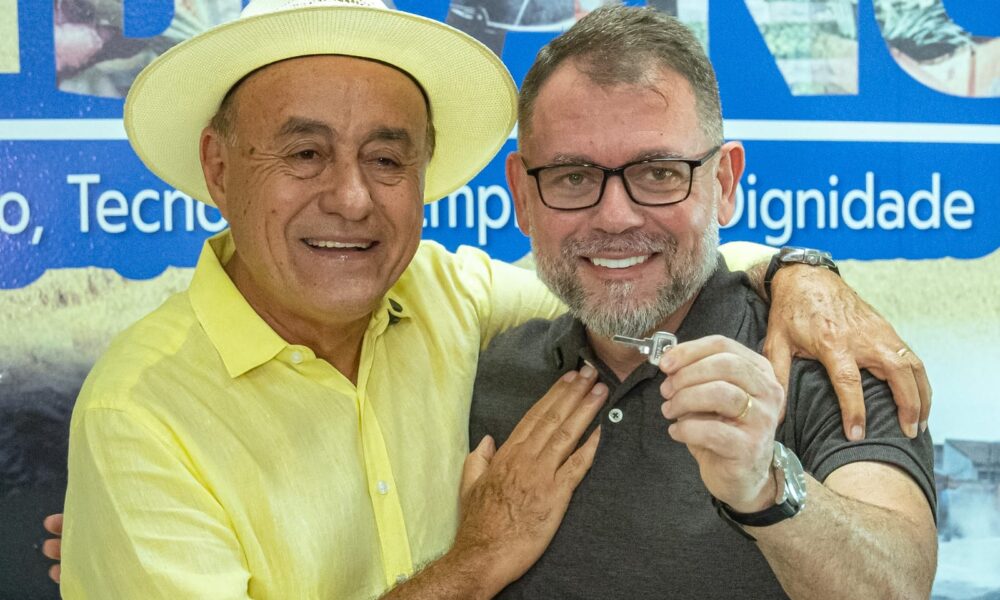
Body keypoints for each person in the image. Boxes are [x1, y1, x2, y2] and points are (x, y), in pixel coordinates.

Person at [50, 1, 930, 597]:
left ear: (723, 181)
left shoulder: (815, 352)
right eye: (304, 153)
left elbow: (898, 579)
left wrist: (798, 275)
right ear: (218, 167)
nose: (351, 198)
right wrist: (472, 566)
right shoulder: (140, 416)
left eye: (386, 159)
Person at [469, 6, 937, 598]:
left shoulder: (828, 357)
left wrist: (766, 487)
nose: (615, 217)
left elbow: (900, 582)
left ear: (723, 183)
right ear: (521, 195)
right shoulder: (488, 372)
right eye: (573, 177)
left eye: (659, 173)